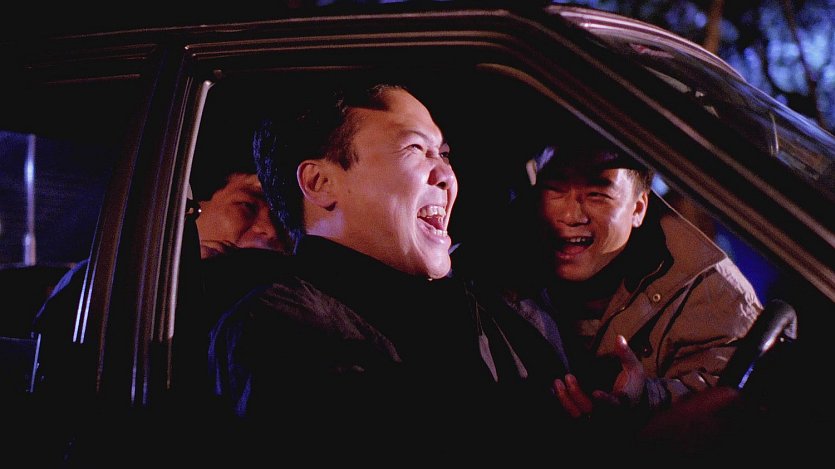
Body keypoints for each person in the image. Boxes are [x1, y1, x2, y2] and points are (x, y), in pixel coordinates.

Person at [208, 83, 575, 464]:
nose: (446, 175)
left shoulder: (492, 312)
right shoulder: (278, 327)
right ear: (321, 183)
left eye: (444, 154)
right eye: (414, 148)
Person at [457, 135, 764, 426]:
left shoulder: (712, 296)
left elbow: (733, 409)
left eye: (597, 195)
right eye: (555, 188)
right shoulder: (489, 263)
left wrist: (645, 403)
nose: (571, 215)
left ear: (638, 208)